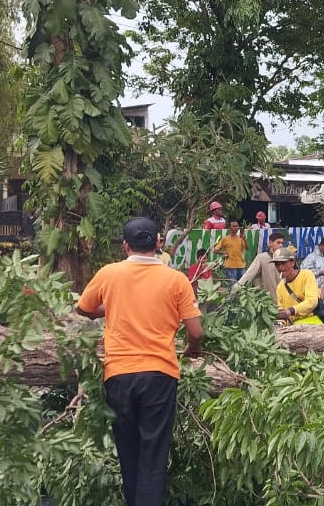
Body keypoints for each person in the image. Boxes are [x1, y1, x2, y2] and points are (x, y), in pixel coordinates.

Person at [76, 217, 203, 506]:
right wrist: (192, 350)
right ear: (159, 243)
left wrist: (112, 307)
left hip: (118, 375)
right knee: (153, 455)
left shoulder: (109, 273)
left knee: (128, 452)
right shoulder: (176, 279)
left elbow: (84, 308)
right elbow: (196, 331)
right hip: (159, 374)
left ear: (124, 245)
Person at [271, 248, 323, 325]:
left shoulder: (307, 275)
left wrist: (292, 310)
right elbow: (281, 310)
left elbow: (312, 301)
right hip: (292, 327)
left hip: (311, 322)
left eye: (283, 263)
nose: (280, 267)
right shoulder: (280, 287)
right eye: (277, 264)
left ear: (292, 262)